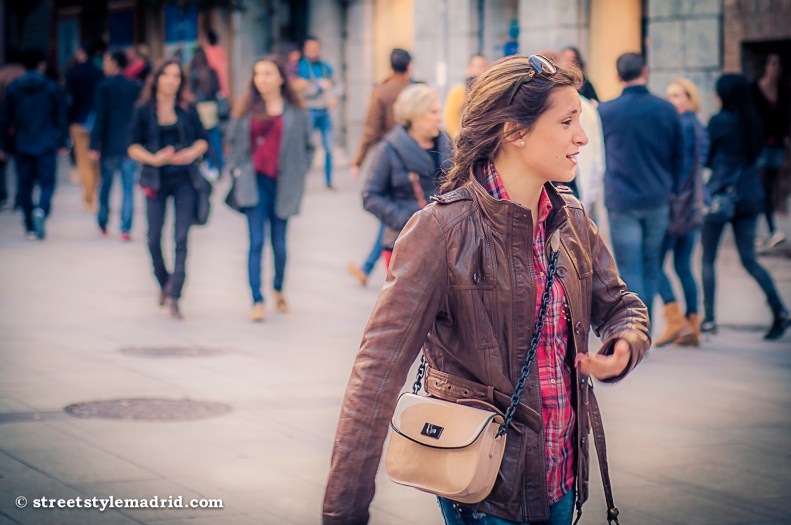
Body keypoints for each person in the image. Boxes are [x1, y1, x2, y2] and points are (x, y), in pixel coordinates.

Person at [323, 54, 650, 525]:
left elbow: (621, 304)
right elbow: (375, 378)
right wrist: (342, 513)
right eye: (566, 121)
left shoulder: (571, 218)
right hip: (484, 491)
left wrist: (625, 344)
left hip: (564, 482)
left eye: (579, 120)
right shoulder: (440, 230)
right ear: (514, 131)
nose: (582, 136)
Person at [225, 56, 313, 322]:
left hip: (284, 183)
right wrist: (238, 171)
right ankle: (257, 299)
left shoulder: (296, 112)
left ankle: (278, 288)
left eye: (267, 73)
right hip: (254, 182)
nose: (261, 79)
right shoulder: (245, 110)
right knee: (256, 242)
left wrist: (300, 172)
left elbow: (309, 146)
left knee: (280, 244)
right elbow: (232, 143)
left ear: (280, 78)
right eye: (257, 73)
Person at [702, 74, 788, 340]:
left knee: (707, 258)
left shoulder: (719, 122)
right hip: (749, 196)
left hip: (721, 196)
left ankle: (709, 320)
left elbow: (707, 158)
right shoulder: (754, 122)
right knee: (749, 259)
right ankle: (780, 310)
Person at [598, 52, 684, 321]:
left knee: (629, 267)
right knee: (651, 264)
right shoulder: (666, 109)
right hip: (657, 197)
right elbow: (681, 155)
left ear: (617, 76)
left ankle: (636, 330)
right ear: (645, 71)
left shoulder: (606, 111)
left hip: (622, 199)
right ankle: (646, 328)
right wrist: (673, 188)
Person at [128, 59, 208, 320]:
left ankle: (175, 293)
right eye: (167, 75)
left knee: (182, 237)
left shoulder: (187, 108)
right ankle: (164, 281)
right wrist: (154, 159)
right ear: (157, 78)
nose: (172, 81)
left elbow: (203, 140)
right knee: (153, 238)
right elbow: (132, 146)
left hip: (185, 178)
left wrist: (191, 153)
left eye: (176, 76)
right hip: (155, 178)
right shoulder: (143, 109)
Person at [361, 84, 452, 270]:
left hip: (445, 241)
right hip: (404, 242)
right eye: (433, 112)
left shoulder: (446, 141)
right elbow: (370, 196)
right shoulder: (388, 149)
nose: (439, 117)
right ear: (415, 115)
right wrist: (407, 220)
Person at [347, 48, 413, 286]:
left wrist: (358, 161)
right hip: (413, 161)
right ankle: (368, 266)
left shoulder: (382, 92)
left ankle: (367, 267)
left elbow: (370, 129)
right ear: (409, 67)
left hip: (390, 160)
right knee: (390, 218)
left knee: (389, 217)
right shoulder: (414, 91)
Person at [655, 79, 709, 347]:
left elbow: (680, 171)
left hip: (678, 207)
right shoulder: (699, 126)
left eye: (677, 95)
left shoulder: (684, 126)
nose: (672, 100)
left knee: (653, 264)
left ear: (690, 98)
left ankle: (675, 318)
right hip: (695, 206)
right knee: (683, 266)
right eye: (669, 95)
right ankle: (693, 324)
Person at [0, 49, 68, 240]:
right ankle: (42, 210)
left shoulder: (14, 88)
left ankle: (29, 225)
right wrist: (63, 141)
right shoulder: (51, 87)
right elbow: (61, 116)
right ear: (42, 65)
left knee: (25, 184)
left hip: (22, 143)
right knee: (47, 182)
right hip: (46, 142)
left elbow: (5, 119)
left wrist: (4, 145)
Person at [89, 50, 142, 241]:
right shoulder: (135, 86)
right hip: (130, 145)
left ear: (113, 63)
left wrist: (94, 144)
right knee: (128, 189)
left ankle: (103, 222)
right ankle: (125, 229)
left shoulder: (104, 86)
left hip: (110, 145)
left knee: (106, 186)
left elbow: (100, 117)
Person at [752, 53, 789, 250]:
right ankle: (762, 231)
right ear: (765, 66)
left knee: (770, 189)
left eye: (779, 64)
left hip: (776, 147)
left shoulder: (783, 91)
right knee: (761, 188)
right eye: (772, 63)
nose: (775, 68)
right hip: (760, 147)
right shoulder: (754, 89)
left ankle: (769, 231)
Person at [297, 36, 341, 189]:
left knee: (329, 147)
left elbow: (337, 85)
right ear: (305, 50)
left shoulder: (325, 66)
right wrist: (319, 87)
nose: (314, 51)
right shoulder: (299, 67)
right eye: (310, 48)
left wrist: (335, 97)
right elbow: (298, 89)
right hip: (309, 110)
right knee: (308, 146)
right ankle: (302, 180)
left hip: (324, 110)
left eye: (316, 48)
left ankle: (329, 181)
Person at [65, 44, 104, 211]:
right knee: (96, 159)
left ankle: (89, 197)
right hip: (96, 119)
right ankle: (95, 192)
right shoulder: (99, 72)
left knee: (83, 160)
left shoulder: (72, 73)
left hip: (78, 119)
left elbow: (68, 99)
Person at [189, 47, 224, 173]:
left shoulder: (193, 73)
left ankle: (209, 164)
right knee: (215, 138)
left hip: (200, 108)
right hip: (212, 108)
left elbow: (191, 93)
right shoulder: (212, 72)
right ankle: (219, 165)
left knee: (203, 138)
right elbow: (218, 90)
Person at [444, 54, 488, 139]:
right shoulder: (457, 92)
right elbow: (450, 121)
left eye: (484, 67)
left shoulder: (488, 93)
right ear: (469, 69)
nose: (480, 71)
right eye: (478, 67)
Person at [201, 29, 230, 98]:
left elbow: (212, 66)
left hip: (212, 84)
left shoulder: (207, 51)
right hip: (222, 83)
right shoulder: (221, 50)